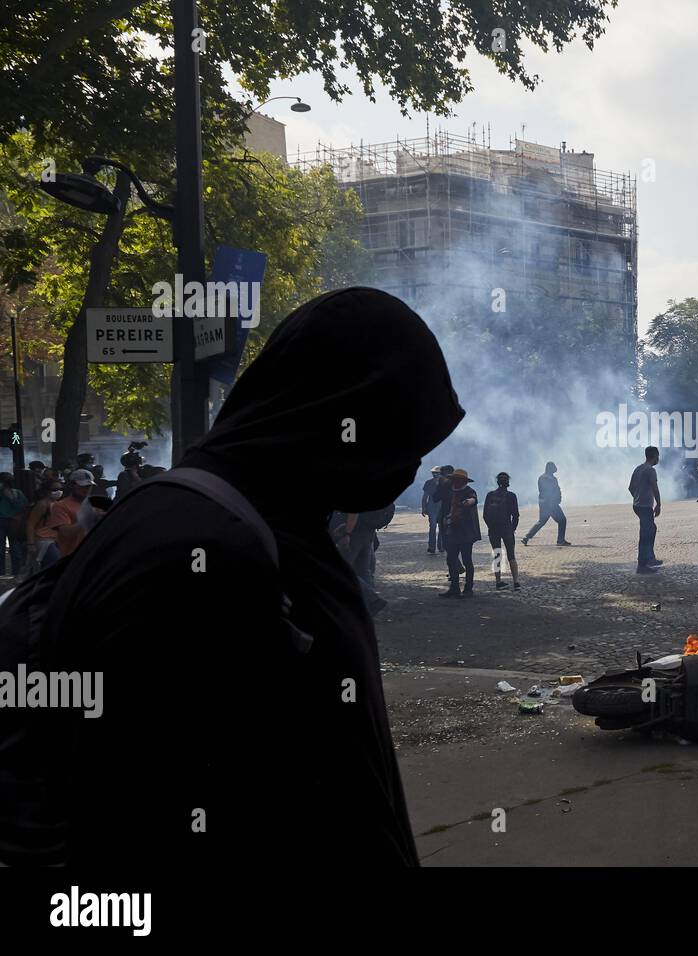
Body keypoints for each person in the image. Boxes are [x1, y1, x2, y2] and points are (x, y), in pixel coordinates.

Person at [37, 287, 464, 866]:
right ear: (345, 413)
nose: (408, 467)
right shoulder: (200, 547)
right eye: (401, 437)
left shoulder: (270, 519)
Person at [441, 468, 481, 598]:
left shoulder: (469, 491)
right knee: (451, 560)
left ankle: (468, 589)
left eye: (458, 480)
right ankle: (454, 588)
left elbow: (473, 499)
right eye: (454, 479)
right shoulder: (449, 492)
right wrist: (446, 519)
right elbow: (445, 508)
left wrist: (469, 502)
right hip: (452, 531)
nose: (455, 482)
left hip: (465, 532)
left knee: (467, 560)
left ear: (463, 481)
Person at [483, 471, 520, 590]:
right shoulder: (511, 496)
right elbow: (516, 515)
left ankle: (498, 582)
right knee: (511, 556)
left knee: (497, 554)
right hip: (507, 528)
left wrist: (490, 526)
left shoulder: (490, 495)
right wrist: (512, 528)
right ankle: (516, 582)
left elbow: (485, 515)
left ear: (497, 482)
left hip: (493, 529)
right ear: (508, 482)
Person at [629, 446, 662, 574]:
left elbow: (631, 487)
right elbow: (655, 487)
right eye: (657, 456)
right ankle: (642, 565)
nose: (658, 459)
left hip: (637, 505)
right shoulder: (650, 470)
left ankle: (650, 558)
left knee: (651, 529)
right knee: (646, 534)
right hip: (644, 506)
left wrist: (637, 497)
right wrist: (658, 504)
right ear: (654, 456)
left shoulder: (638, 468)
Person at [522, 461, 570, 547]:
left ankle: (526, 537)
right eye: (554, 467)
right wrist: (555, 500)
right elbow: (551, 490)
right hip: (551, 503)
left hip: (544, 503)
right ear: (550, 468)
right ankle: (560, 540)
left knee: (541, 521)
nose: (555, 468)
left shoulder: (542, 477)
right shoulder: (549, 479)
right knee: (562, 520)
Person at [0, 472, 28, 576]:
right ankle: (1, 574)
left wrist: (11, 498)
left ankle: (16, 572)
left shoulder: (18, 493)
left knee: (16, 549)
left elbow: (24, 506)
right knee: (0, 550)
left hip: (14, 523)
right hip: (1, 522)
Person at [420, 466, 447, 554]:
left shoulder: (445, 483)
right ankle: (431, 547)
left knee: (442, 527)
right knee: (432, 527)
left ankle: (441, 546)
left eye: (437, 473)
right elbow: (425, 497)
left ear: (441, 474)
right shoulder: (428, 483)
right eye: (433, 473)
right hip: (432, 507)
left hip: (442, 507)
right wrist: (424, 508)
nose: (435, 475)